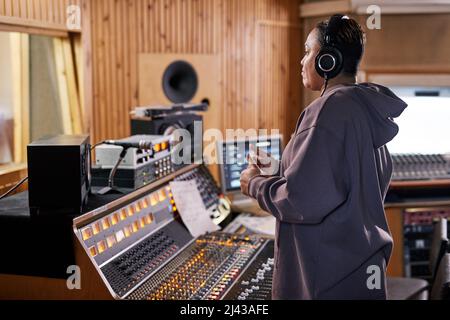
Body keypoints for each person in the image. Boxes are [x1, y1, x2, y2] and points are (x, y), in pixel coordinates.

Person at [240, 14, 407, 299]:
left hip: (330, 279)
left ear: (327, 60)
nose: (302, 61)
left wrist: (254, 185)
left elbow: (301, 200)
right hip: (360, 270)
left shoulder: (328, 111)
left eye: (308, 52)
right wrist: (277, 168)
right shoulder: (363, 108)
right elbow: (336, 176)